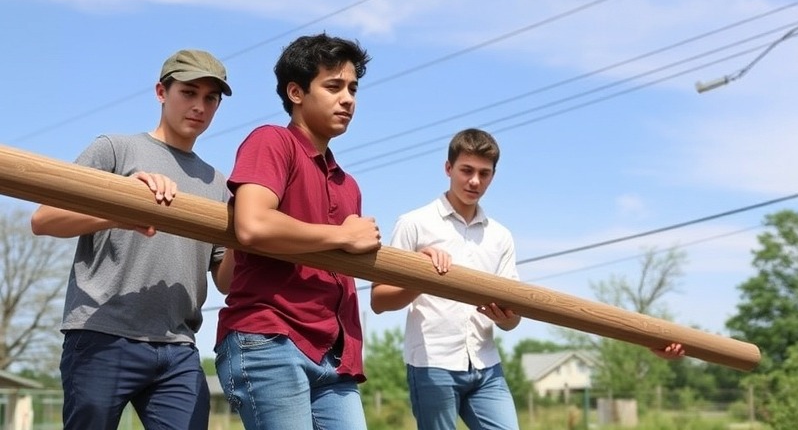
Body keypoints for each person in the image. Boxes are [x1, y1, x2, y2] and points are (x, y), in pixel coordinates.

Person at [371, 128, 685, 430]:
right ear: (448, 168)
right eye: (466, 170)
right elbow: (379, 300)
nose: (475, 181)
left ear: (493, 176)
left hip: (486, 364)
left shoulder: (500, 236)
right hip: (432, 363)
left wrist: (506, 318)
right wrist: (423, 278)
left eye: (484, 173)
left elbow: (512, 321)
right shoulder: (414, 223)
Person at [30, 49, 236, 430]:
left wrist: (242, 232)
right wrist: (120, 213)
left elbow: (225, 281)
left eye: (211, 99)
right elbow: (43, 219)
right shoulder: (115, 149)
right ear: (161, 92)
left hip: (178, 347)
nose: (199, 107)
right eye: (188, 93)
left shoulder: (219, 184)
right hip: (102, 334)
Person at [214, 33, 381, 430]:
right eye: (334, 86)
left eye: (353, 88)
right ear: (296, 92)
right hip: (271, 339)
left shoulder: (348, 184)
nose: (348, 99)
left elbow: (229, 276)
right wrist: (343, 236)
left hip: (334, 355)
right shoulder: (271, 141)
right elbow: (254, 224)